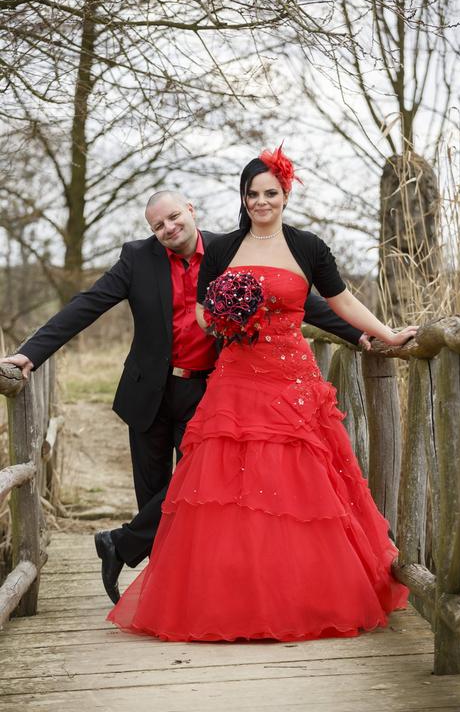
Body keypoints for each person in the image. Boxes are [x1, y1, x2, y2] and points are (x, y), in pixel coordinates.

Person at [106, 146, 417, 642]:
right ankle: (233, 597)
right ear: (244, 197)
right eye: (252, 194)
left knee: (298, 487)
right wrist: (225, 319)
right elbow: (202, 312)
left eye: (270, 193)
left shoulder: (308, 247)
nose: (261, 202)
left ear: (285, 195)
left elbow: (340, 301)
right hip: (236, 379)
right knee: (230, 488)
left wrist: (386, 334)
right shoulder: (225, 248)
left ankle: (298, 595)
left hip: (292, 381)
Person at [0, 190, 366, 604]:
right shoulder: (137, 259)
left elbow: (301, 301)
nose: (169, 228)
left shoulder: (229, 250)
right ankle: (162, 597)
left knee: (197, 490)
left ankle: (121, 544)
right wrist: (32, 353)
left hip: (207, 392)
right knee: (154, 497)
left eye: (174, 217)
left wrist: (361, 334)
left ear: (191, 210)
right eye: (158, 225)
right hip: (148, 395)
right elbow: (87, 305)